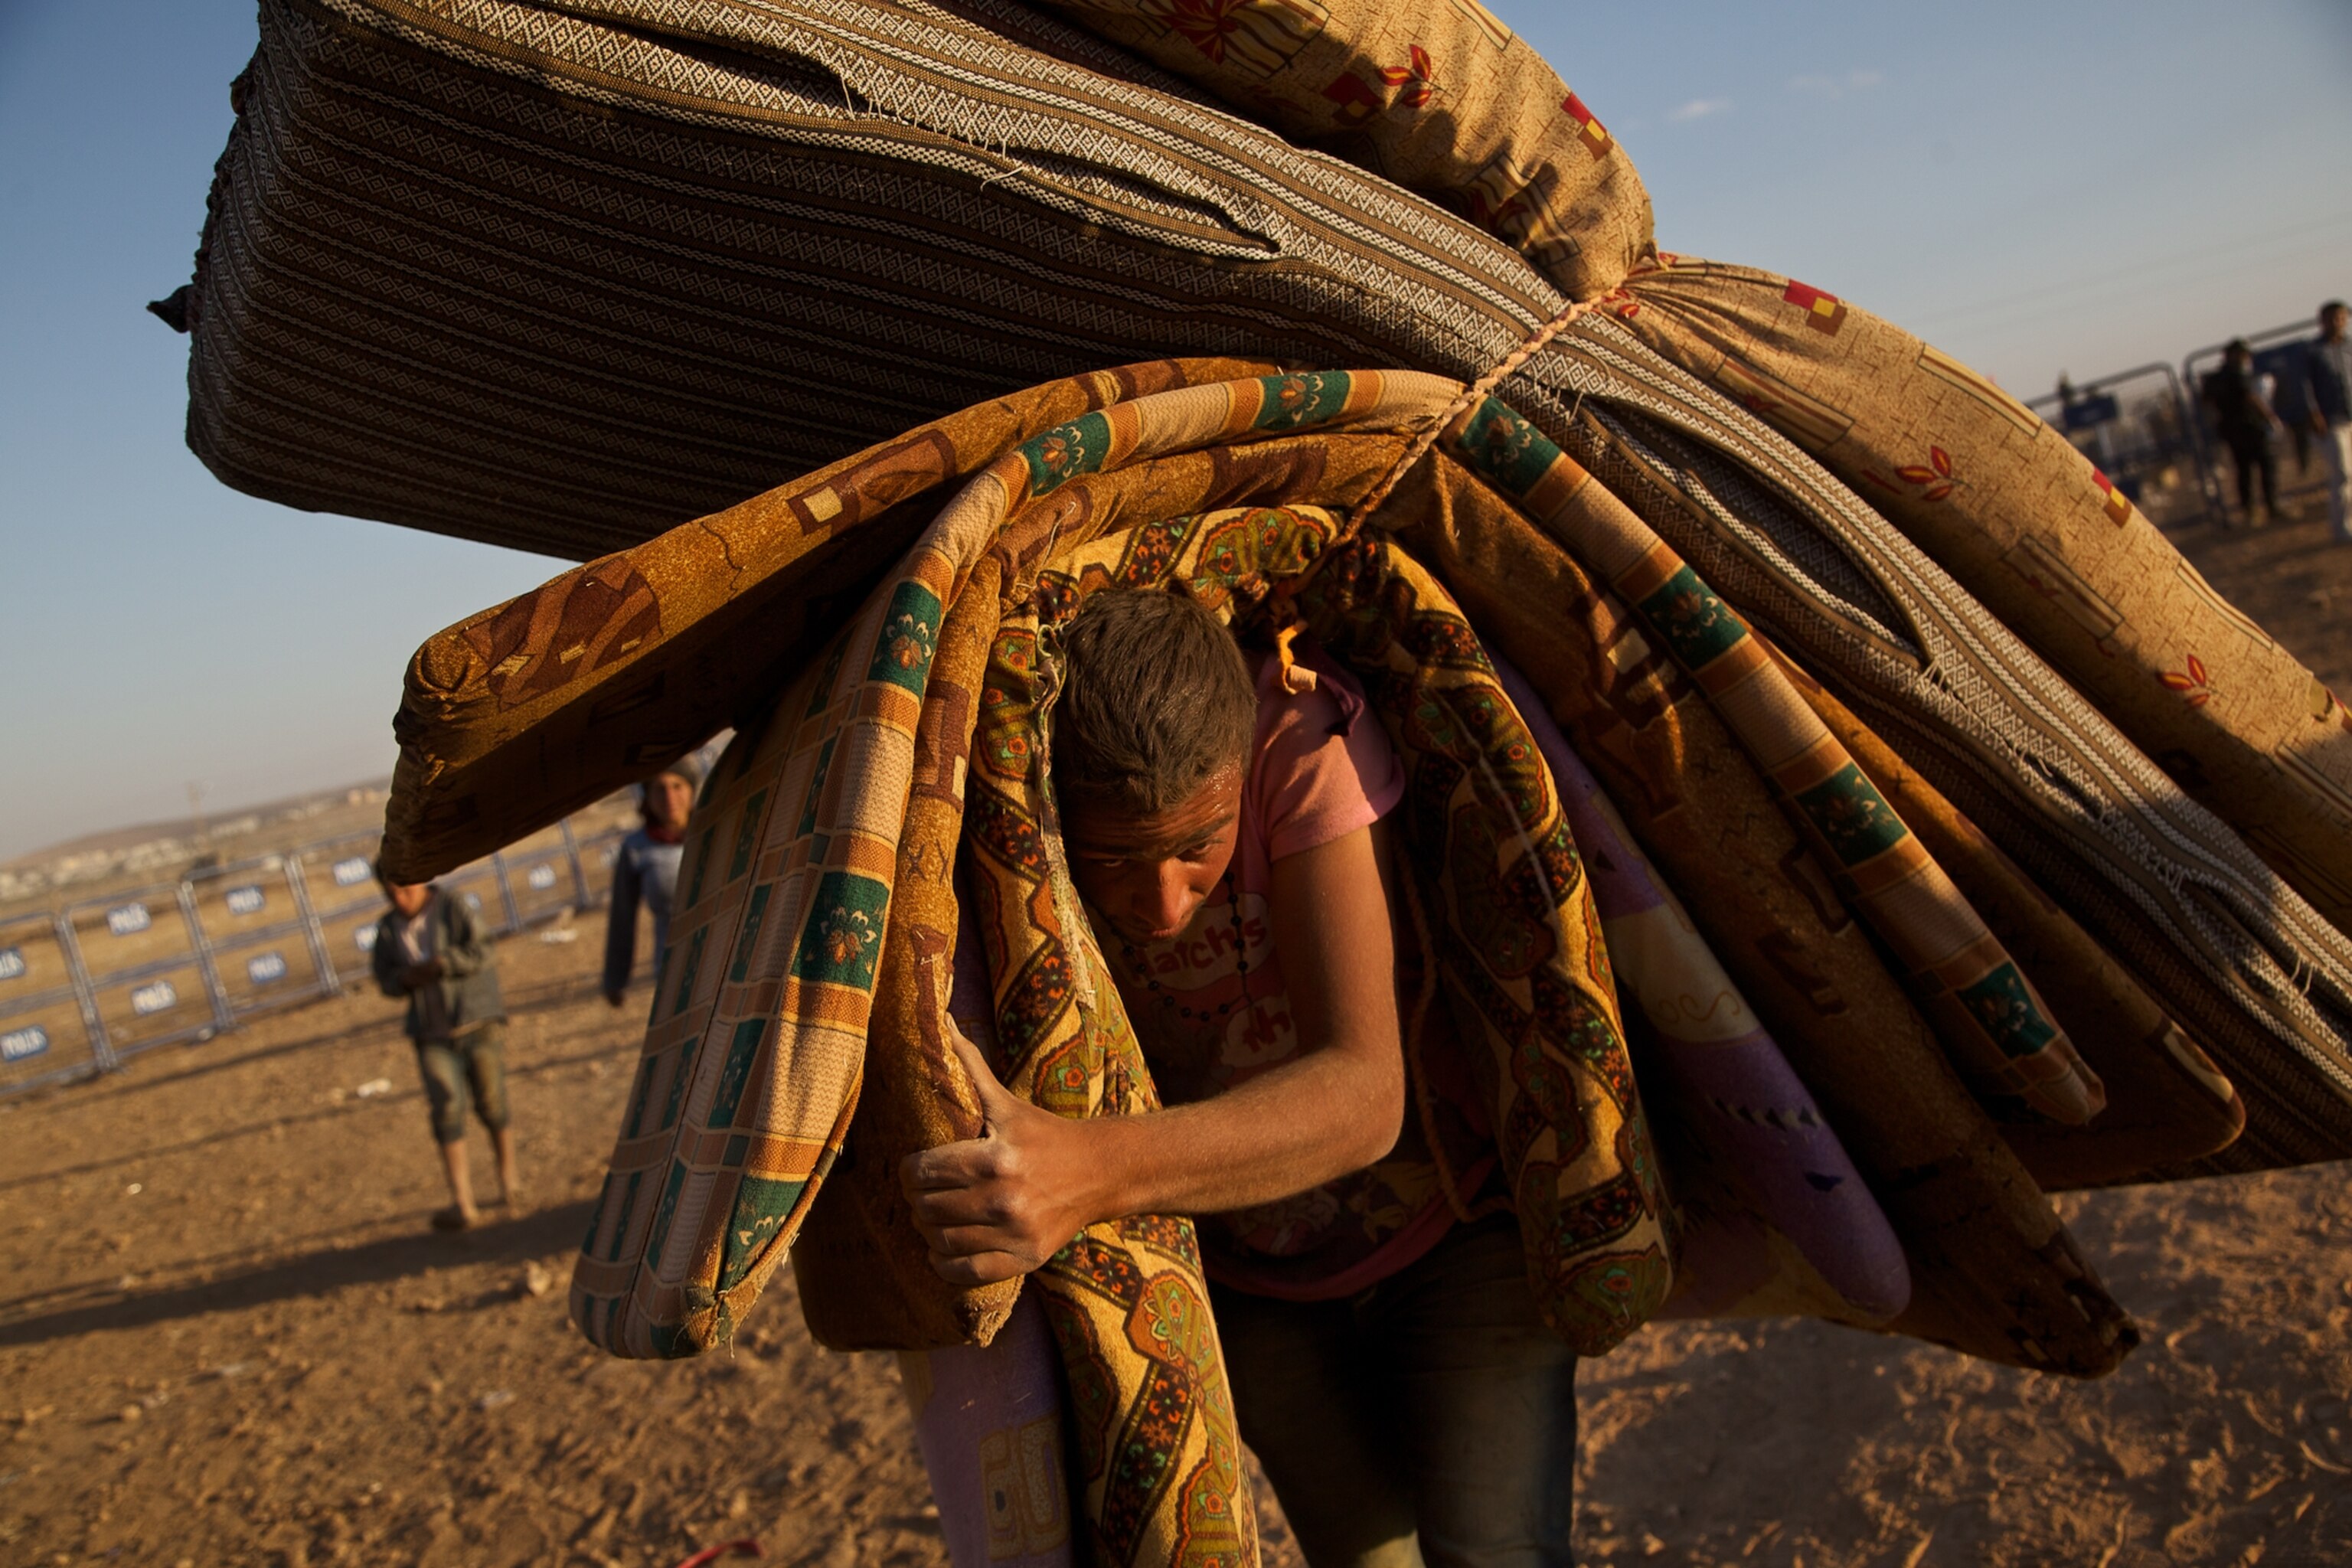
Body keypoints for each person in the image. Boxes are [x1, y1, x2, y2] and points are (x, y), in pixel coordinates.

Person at [901, 589, 1576, 1568]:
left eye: (1196, 846)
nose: (1164, 902)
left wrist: (1081, 1171)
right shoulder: (1018, 814)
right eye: (1115, 862)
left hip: (1454, 1234)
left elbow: (1364, 1096)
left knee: (1497, 1546)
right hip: (1254, 1288)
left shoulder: (1298, 742)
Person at [372, 864, 516, 1230]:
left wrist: (443, 965)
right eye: (391, 893)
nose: (399, 899)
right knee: (447, 1108)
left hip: (477, 1022)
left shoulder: (453, 907)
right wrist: (406, 978)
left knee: (491, 1102)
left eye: (404, 889)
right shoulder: (388, 929)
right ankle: (463, 1202)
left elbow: (483, 951)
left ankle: (508, 1181)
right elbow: (385, 979)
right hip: (431, 1034)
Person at [603, 756, 701, 1010]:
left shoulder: (718, 828)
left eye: (677, 786)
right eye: (659, 788)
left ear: (692, 790)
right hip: (675, 972)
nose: (669, 797)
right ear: (647, 797)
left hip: (728, 957)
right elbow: (622, 917)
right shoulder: (636, 848)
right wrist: (616, 979)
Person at [2203, 339, 2284, 528]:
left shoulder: (2216, 378)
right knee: (2265, 466)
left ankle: (2251, 510)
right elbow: (2250, 397)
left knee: (2244, 471)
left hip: (2232, 430)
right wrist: (2269, 417)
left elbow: (2206, 403)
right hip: (2250, 427)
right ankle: (2270, 506)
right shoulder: (2236, 374)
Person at [2307, 300, 2352, 544]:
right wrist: (2315, 414)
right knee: (2343, 473)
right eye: (2332, 318)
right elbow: (2305, 387)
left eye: (2342, 317)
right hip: (2331, 421)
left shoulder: (2349, 347)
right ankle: (2342, 527)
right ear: (2322, 321)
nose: (2337, 323)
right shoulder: (2313, 352)